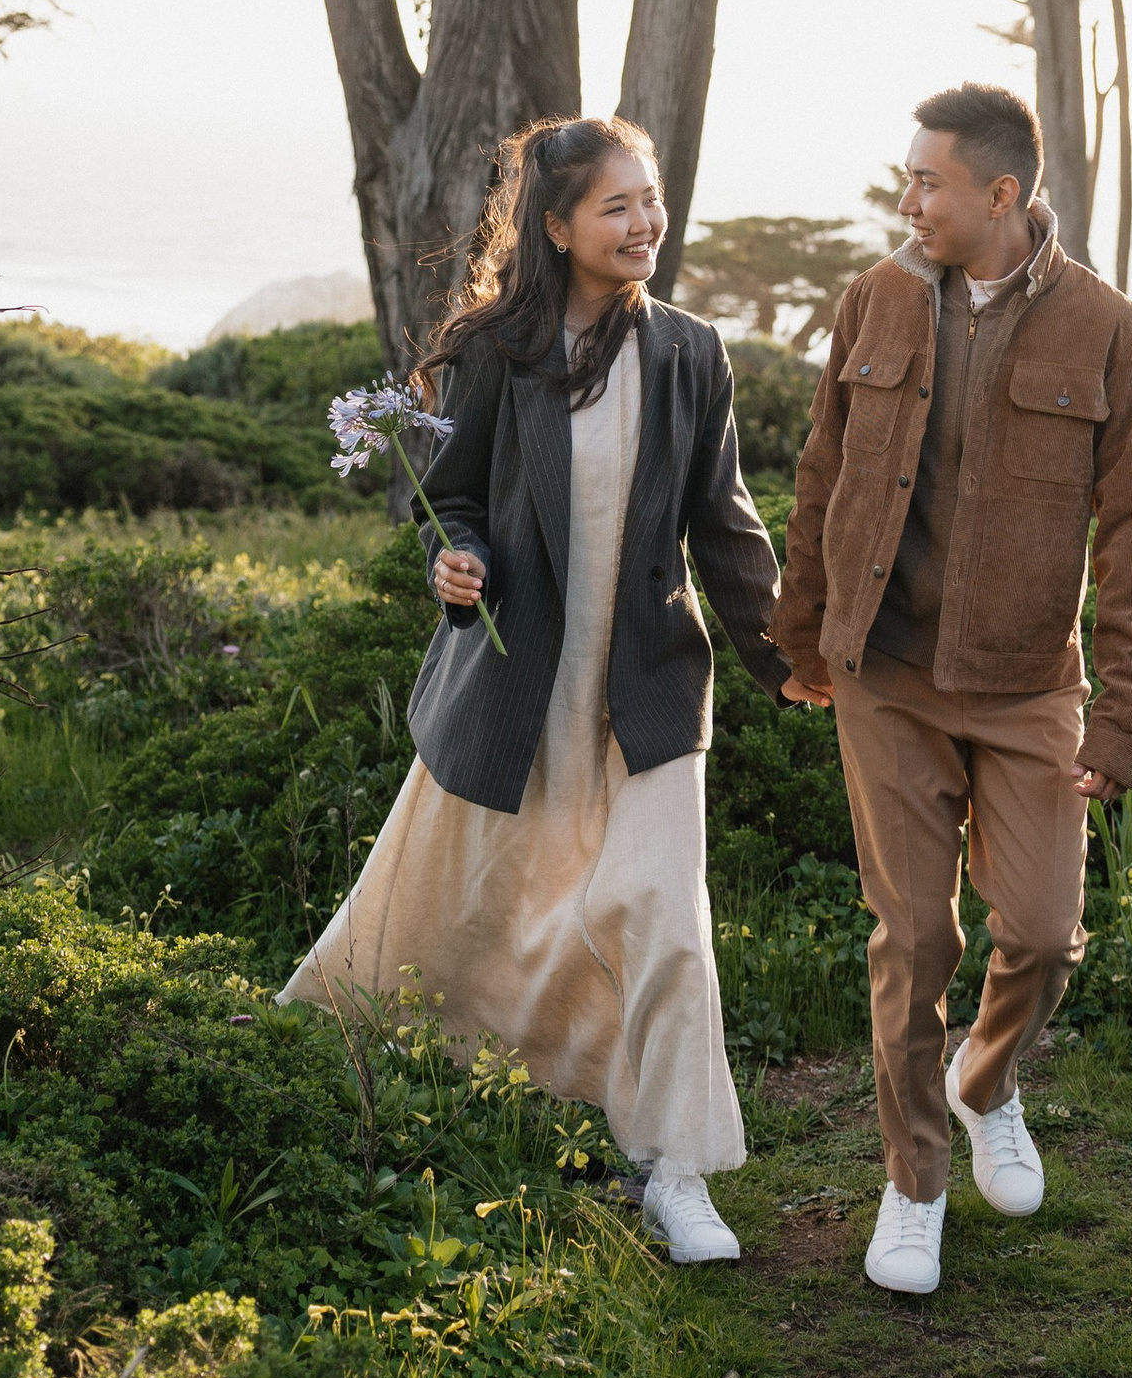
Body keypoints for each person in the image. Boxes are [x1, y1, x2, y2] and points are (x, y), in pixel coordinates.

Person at [283, 115, 788, 1265]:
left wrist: (782, 651)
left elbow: (726, 521)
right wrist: (454, 566)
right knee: (467, 905)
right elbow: (446, 501)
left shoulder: (691, 352)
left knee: (662, 915)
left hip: (652, 690)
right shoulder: (494, 354)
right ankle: (400, 1072)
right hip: (521, 682)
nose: (645, 223)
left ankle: (673, 1171)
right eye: (617, 207)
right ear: (556, 227)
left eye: (650, 201)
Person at [773, 82, 1132, 1300]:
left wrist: (1126, 713)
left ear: (1001, 196)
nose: (907, 202)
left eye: (928, 183)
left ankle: (986, 1081)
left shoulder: (1111, 331)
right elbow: (822, 472)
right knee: (910, 937)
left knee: (1043, 931)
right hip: (882, 677)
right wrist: (802, 635)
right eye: (906, 179)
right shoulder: (874, 298)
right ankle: (914, 1188)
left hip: (1023, 686)